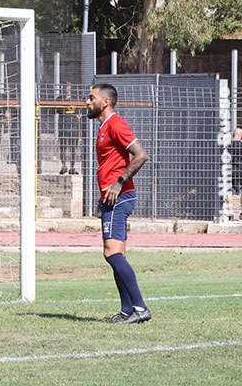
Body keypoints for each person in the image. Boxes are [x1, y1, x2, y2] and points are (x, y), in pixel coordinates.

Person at [86, 83, 151, 324]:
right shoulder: (104, 127)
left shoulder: (116, 124)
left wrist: (118, 183)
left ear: (105, 102)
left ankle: (140, 308)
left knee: (111, 253)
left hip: (120, 197)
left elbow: (141, 155)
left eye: (91, 98)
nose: (87, 102)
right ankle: (127, 311)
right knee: (117, 254)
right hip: (110, 199)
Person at [56, 83, 82, 175]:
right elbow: (56, 110)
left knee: (73, 148)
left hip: (73, 127)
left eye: (68, 88)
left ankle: (72, 167)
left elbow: (79, 114)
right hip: (63, 126)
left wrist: (79, 124)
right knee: (63, 147)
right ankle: (64, 166)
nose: (66, 90)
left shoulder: (75, 99)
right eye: (64, 88)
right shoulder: (59, 99)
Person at [228, 127, 242, 220]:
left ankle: (231, 213)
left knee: (230, 191)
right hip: (241, 171)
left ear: (233, 134)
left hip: (230, 171)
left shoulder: (227, 145)